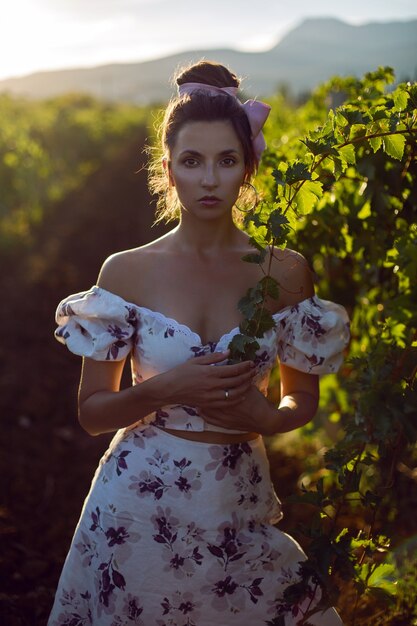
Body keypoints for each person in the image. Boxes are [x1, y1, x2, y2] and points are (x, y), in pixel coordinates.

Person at [48, 60, 349, 626]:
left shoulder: (284, 274)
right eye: (192, 161)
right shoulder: (125, 273)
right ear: (168, 169)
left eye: (226, 160)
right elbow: (91, 415)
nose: (209, 179)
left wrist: (270, 415)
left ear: (247, 168)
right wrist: (170, 387)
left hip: (240, 505)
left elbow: (300, 400)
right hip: (135, 511)